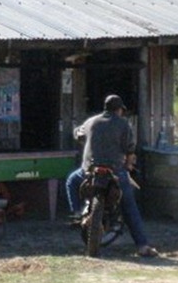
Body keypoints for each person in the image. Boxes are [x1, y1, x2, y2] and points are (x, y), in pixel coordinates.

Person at [65, 94, 159, 257]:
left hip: (89, 170)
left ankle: (77, 213)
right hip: (115, 171)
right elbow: (130, 150)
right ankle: (142, 246)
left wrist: (88, 141)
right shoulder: (123, 124)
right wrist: (129, 165)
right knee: (130, 206)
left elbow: (77, 134)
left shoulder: (91, 122)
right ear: (119, 110)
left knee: (71, 181)